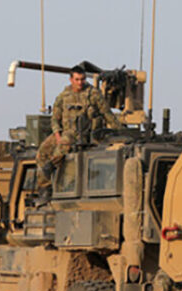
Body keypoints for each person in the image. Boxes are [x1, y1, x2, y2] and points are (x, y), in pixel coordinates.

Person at [35, 66, 120, 203]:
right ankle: (45, 187)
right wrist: (57, 134)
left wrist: (119, 132)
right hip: (64, 131)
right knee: (41, 153)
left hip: (82, 133)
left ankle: (51, 166)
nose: (80, 82)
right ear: (71, 80)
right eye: (77, 79)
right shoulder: (64, 96)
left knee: (62, 147)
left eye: (82, 79)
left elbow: (107, 114)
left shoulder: (93, 94)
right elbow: (55, 118)